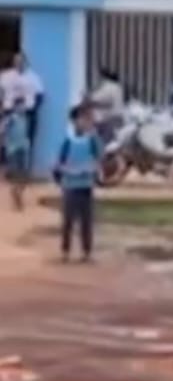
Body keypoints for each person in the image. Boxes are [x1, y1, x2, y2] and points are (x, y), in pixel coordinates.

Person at [54, 102, 101, 262]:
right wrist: (70, 171)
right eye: (83, 119)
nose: (86, 122)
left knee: (86, 221)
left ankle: (86, 252)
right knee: (68, 220)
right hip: (70, 186)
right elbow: (59, 164)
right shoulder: (68, 140)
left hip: (86, 185)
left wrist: (92, 169)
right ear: (74, 121)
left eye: (87, 119)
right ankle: (65, 251)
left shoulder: (92, 139)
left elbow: (99, 159)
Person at [0, 52, 45, 164]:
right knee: (7, 142)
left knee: (27, 143)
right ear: (13, 62)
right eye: (16, 61)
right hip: (8, 113)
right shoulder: (5, 77)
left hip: (28, 114)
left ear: (26, 62)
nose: (18, 63)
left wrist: (30, 108)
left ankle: (24, 172)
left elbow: (40, 97)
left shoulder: (34, 78)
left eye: (21, 61)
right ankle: (7, 171)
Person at [3, 97, 30, 212]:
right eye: (20, 105)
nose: (22, 108)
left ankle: (17, 191)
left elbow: (25, 132)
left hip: (23, 148)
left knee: (23, 173)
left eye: (23, 105)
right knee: (15, 172)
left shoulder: (25, 119)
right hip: (13, 149)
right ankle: (17, 197)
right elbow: (2, 129)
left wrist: (27, 142)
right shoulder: (11, 119)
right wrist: (5, 142)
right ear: (15, 107)